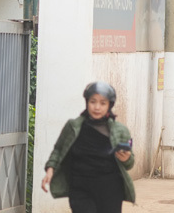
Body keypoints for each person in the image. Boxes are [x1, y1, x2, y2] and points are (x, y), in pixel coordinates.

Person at [41, 82, 135, 213]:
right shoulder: (73, 127)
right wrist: (50, 170)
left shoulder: (120, 130)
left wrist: (126, 158)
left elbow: (130, 163)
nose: (97, 107)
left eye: (103, 103)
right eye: (93, 102)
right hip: (80, 188)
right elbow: (58, 149)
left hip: (110, 189)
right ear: (87, 102)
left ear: (109, 105)